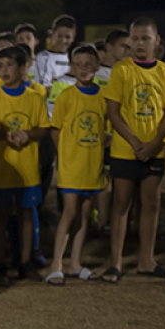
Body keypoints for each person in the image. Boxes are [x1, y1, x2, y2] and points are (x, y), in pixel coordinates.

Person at [99, 18, 165, 283]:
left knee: (151, 204)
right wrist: (134, 142)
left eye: (145, 38)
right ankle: (116, 263)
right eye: (134, 39)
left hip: (154, 150)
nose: (139, 44)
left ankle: (147, 261)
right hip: (125, 150)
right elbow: (113, 111)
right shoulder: (121, 70)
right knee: (121, 204)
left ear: (157, 41)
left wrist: (155, 143)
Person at [0, 45, 49, 283]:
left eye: (9, 65)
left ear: (23, 69)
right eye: (0, 66)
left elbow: (43, 129)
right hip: (1, 168)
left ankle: (25, 262)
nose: (4, 70)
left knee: (26, 213)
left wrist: (27, 135)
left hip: (27, 169)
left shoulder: (34, 97)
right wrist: (5, 136)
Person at [46, 45, 107, 285]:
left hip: (93, 165)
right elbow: (55, 130)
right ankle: (56, 265)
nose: (83, 69)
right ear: (72, 67)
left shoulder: (104, 96)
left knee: (84, 214)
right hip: (72, 166)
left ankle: (75, 263)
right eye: (78, 64)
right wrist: (67, 155)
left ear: (96, 67)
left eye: (88, 64)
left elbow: (106, 129)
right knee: (70, 212)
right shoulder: (66, 96)